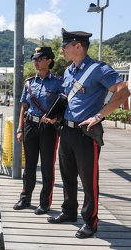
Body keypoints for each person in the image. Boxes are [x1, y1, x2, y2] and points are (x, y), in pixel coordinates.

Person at [46, 28, 130, 239]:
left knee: (88, 179)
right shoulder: (68, 71)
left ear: (78, 46)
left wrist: (99, 116)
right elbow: (69, 98)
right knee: (67, 176)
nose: (62, 50)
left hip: (86, 132)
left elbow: (123, 91)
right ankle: (68, 211)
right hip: (66, 129)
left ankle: (90, 222)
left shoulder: (99, 69)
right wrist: (57, 114)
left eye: (65, 46)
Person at [13, 47, 64, 215]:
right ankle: (25, 197)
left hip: (48, 128)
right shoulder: (29, 82)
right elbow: (23, 108)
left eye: (39, 58)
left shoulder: (58, 82)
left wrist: (56, 119)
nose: (35, 62)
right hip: (30, 126)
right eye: (34, 59)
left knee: (47, 166)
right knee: (29, 165)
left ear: (49, 60)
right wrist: (20, 129)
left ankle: (45, 202)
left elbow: (64, 105)